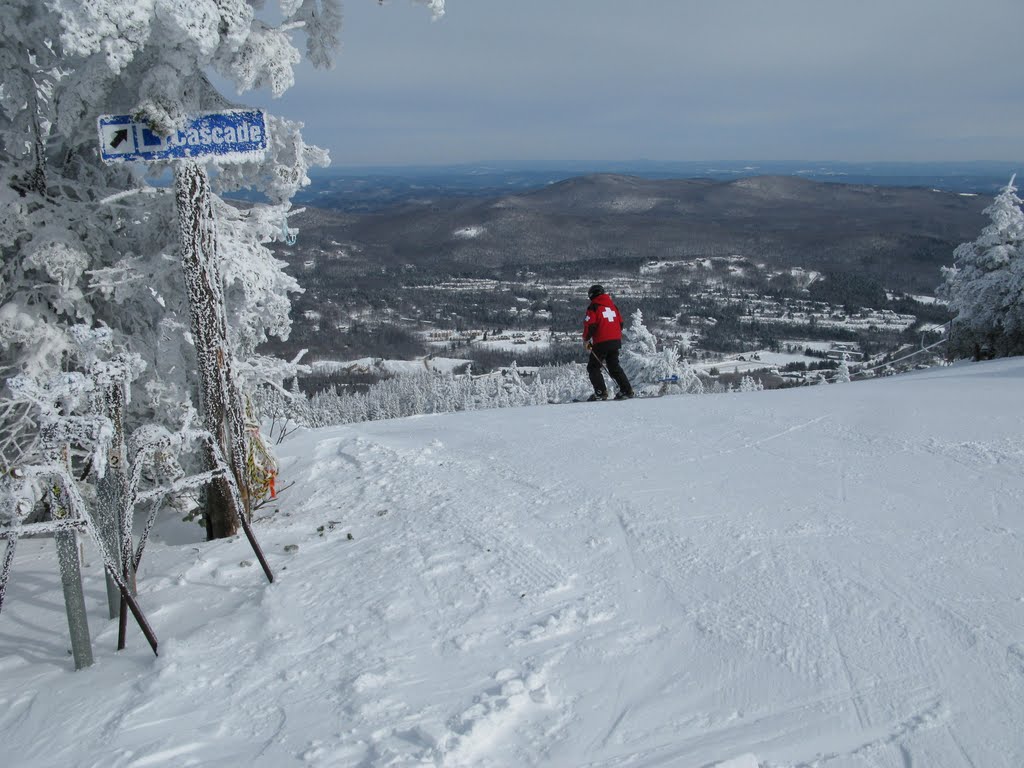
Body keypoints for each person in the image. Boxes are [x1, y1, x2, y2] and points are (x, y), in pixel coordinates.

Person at [582, 284, 634, 401]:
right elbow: (620, 323)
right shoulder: (613, 306)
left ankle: (601, 393)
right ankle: (626, 390)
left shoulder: (593, 307)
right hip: (615, 341)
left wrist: (586, 339)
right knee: (614, 366)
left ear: (591, 295)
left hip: (601, 341)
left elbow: (590, 325)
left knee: (593, 367)